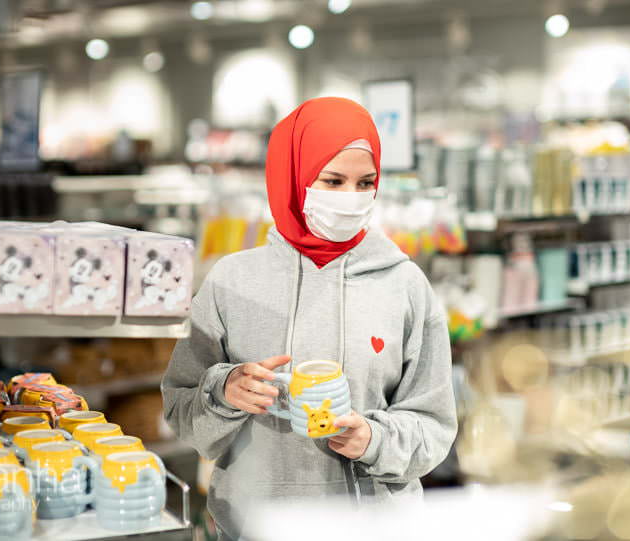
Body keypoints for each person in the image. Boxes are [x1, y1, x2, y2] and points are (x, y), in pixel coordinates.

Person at [161, 97, 457, 540]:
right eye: (333, 181)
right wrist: (225, 391)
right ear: (293, 176)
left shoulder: (405, 284)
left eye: (365, 182)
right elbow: (180, 408)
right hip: (254, 527)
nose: (351, 198)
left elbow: (434, 424)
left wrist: (373, 441)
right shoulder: (231, 282)